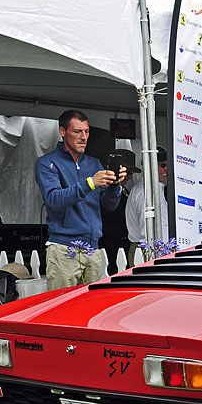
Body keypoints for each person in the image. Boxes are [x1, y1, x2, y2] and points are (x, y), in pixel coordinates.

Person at [35, 109, 125, 291]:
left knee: (87, 312)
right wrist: (90, 183)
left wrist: (115, 185)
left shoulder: (94, 163)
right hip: (63, 247)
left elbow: (109, 205)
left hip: (93, 248)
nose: (84, 136)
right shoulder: (47, 163)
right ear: (62, 132)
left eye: (87, 131)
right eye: (77, 131)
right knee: (61, 311)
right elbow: (53, 199)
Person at [126, 146, 169, 264]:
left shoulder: (155, 187)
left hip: (157, 248)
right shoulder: (144, 190)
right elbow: (146, 228)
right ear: (151, 166)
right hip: (147, 249)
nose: (166, 169)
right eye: (162, 165)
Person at [100, 150, 140, 275]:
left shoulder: (125, 191)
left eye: (131, 173)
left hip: (122, 245)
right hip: (110, 246)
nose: (130, 176)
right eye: (128, 172)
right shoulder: (104, 191)